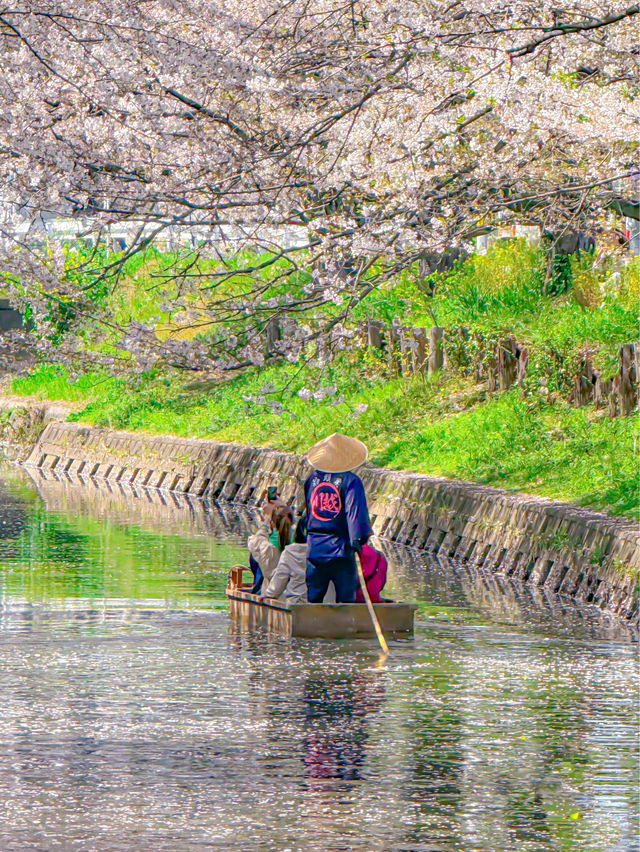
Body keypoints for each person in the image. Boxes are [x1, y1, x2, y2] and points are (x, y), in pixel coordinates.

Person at [304, 432, 373, 603]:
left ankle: (312, 626)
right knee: (345, 599)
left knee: (314, 597)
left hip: (315, 546)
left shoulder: (312, 479)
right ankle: (344, 627)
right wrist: (357, 539)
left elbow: (308, 510)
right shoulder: (350, 480)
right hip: (341, 548)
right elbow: (354, 512)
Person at [261, 515, 309, 604]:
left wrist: (266, 595)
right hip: (326, 605)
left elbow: (278, 583)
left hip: (296, 604)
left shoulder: (289, 552)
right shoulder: (330, 552)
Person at [247, 503, 293, 592]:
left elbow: (255, 541)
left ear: (272, 523)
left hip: (270, 591)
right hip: (290, 591)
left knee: (255, 557)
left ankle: (257, 590)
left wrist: (266, 519)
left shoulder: (265, 545)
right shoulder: (298, 542)